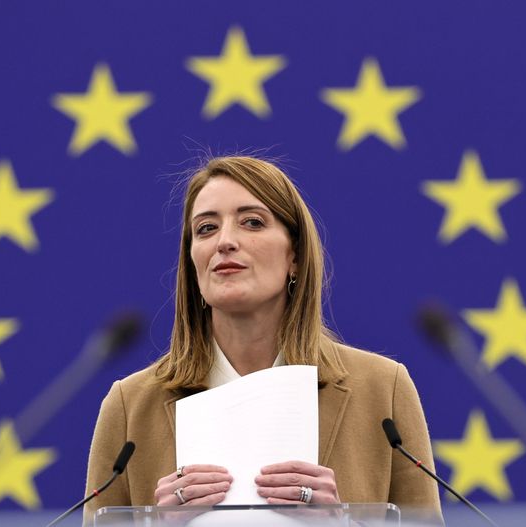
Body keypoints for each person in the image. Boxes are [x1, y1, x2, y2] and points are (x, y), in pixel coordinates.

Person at [83, 156, 442, 525]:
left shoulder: (383, 389)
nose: (224, 242)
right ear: (192, 263)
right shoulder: (129, 406)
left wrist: (342, 524)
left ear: (296, 256)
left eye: (252, 222)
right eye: (206, 228)